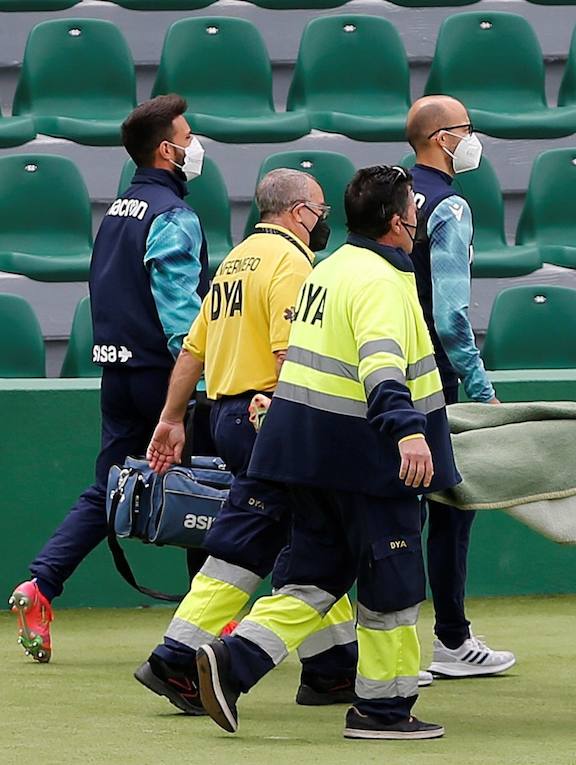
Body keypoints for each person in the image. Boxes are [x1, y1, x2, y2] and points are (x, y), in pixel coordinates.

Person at [193, 166, 456, 741]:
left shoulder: (328, 268)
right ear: (397, 222)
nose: (418, 219)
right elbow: (381, 362)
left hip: (305, 457)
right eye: (413, 210)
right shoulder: (383, 281)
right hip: (365, 460)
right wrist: (408, 431)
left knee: (312, 579)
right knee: (393, 584)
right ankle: (383, 711)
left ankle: (232, 663)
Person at [135, 169, 358, 714]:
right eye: (320, 210)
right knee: (269, 545)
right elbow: (292, 356)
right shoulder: (292, 263)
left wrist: (172, 418)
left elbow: (192, 352)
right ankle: (176, 658)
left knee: (305, 539)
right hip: (271, 415)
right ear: (298, 210)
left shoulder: (236, 260)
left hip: (228, 415)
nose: (323, 220)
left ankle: (332, 669)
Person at [10, 95, 209, 663]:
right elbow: (178, 313)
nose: (197, 147)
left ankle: (41, 586)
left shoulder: (118, 210)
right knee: (205, 493)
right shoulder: (173, 216)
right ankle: (205, 626)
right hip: (162, 377)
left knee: (109, 486)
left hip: (116, 371)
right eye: (189, 137)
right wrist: (191, 385)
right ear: (168, 150)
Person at [404, 95, 514, 680]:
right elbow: (450, 315)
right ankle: (449, 639)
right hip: (429, 382)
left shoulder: (392, 192)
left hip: (376, 371)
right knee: (450, 505)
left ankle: (363, 641)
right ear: (443, 138)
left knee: (384, 510)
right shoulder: (450, 207)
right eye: (468, 130)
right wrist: (479, 385)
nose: (475, 141)